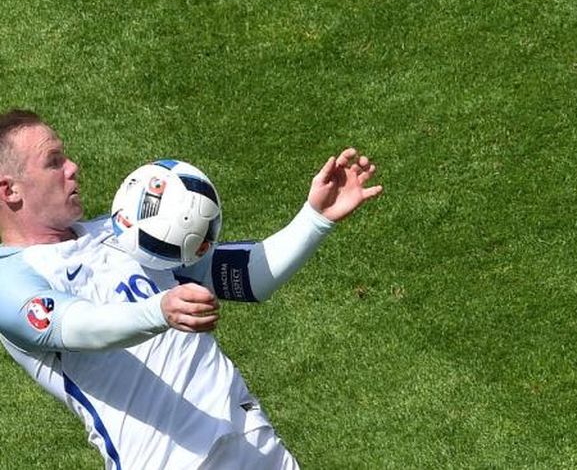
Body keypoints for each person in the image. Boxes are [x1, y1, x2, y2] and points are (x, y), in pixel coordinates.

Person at [0, 109, 383, 469]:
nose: (72, 167)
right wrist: (159, 310)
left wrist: (315, 219)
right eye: (53, 161)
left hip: (252, 440)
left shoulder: (128, 231)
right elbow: (79, 325)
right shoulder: (11, 282)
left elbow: (248, 276)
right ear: (10, 191)